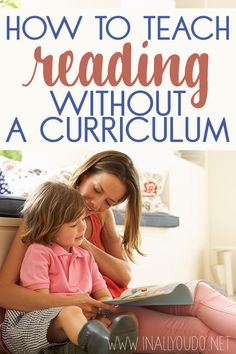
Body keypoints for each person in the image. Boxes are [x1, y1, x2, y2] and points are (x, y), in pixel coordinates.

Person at [1, 150, 236, 354]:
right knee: (197, 331)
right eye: (96, 189)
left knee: (199, 293)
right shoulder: (46, 214)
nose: (96, 204)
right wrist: (80, 303)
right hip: (89, 314)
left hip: (114, 303)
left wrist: (82, 243)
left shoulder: (101, 217)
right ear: (84, 174)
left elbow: (123, 275)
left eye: (109, 202)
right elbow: (5, 292)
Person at [1, 181, 138, 354]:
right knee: (71, 313)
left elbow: (103, 294)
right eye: (73, 224)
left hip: (69, 323)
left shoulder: (85, 256)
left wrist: (104, 311)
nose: (82, 226)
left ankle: (90, 346)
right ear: (50, 229)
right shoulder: (39, 253)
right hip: (29, 323)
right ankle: (97, 346)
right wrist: (79, 309)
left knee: (119, 318)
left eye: (82, 219)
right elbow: (43, 302)